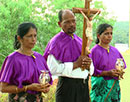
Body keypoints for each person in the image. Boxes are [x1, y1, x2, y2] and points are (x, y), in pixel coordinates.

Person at [43, 9, 94, 102]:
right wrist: (75, 64)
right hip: (67, 88)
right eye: (67, 22)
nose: (72, 24)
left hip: (83, 87)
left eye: (73, 21)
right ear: (60, 23)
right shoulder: (55, 42)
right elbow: (52, 69)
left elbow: (91, 68)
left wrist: (89, 65)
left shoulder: (80, 41)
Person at [0, 22, 52, 102]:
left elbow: (47, 80)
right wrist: (28, 88)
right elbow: (3, 88)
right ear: (19, 38)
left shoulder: (39, 58)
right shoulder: (13, 59)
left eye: (35, 35)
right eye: (29, 36)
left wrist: (45, 87)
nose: (33, 39)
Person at [89, 23, 126, 102]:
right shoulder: (94, 51)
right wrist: (107, 73)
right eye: (106, 34)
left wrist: (120, 72)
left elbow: (121, 65)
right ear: (99, 36)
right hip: (100, 89)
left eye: (111, 33)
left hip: (114, 88)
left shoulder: (115, 51)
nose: (109, 36)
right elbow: (91, 70)